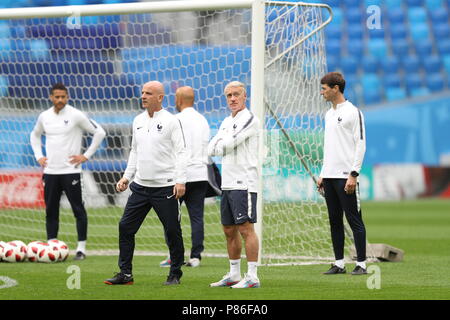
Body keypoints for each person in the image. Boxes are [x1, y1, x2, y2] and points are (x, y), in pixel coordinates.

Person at [104, 81, 187, 286]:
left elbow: (182, 152)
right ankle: (125, 274)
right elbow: (135, 150)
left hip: (165, 187)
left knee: (172, 231)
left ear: (160, 97)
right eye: (142, 92)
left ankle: (174, 273)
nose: (143, 96)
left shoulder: (171, 121)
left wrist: (180, 181)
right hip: (140, 187)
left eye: (148, 93)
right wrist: (126, 176)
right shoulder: (138, 120)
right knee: (125, 227)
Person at [30, 83, 106, 260]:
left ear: (67, 97)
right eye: (57, 97)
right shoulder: (44, 116)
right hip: (50, 171)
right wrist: (38, 156)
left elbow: (99, 132)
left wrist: (86, 155)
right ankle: (51, 246)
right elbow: (34, 135)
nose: (60, 100)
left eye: (63, 97)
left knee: (78, 209)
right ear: (51, 97)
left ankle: (81, 249)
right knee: (51, 210)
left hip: (71, 171)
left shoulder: (76, 115)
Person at [207, 81, 261, 289]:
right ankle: (234, 274)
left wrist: (222, 143)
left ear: (244, 96)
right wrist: (221, 143)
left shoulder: (250, 119)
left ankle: (253, 276)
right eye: (228, 95)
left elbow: (226, 145)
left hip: (244, 182)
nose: (232, 99)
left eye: (236, 94)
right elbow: (211, 148)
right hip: (228, 183)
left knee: (246, 229)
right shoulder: (226, 121)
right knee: (229, 230)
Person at [317, 72, 368, 275]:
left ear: (335, 88)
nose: (322, 92)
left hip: (346, 176)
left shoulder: (353, 112)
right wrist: (323, 173)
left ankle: (362, 264)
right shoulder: (328, 114)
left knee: (354, 220)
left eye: (324, 88)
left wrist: (353, 174)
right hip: (329, 177)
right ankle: (339, 263)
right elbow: (329, 147)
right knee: (334, 220)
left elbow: (361, 144)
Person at [159, 86, 210, 268]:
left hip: (178, 176)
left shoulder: (175, 120)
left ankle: (173, 256)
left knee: (171, 217)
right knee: (197, 217)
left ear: (179, 100)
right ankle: (195, 257)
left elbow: (169, 148)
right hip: (200, 174)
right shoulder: (203, 120)